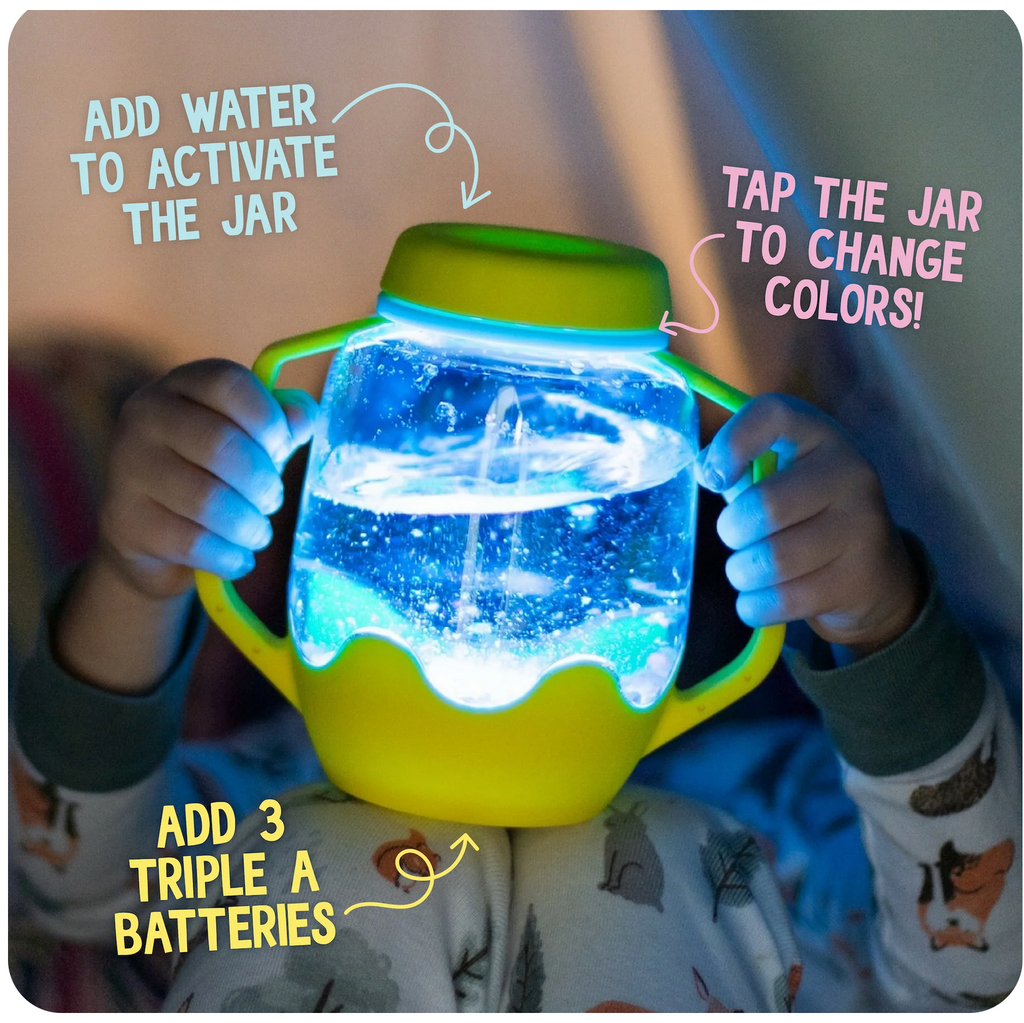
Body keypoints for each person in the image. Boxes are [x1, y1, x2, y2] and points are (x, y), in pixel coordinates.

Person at [12, 359, 1020, 1012]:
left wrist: (874, 617)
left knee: (658, 847)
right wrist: (141, 572)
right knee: (339, 846)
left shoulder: (771, 811)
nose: (492, 546)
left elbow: (970, 961)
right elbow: (70, 876)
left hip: (725, 811)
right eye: (443, 465)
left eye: (565, 492)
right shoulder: (271, 792)